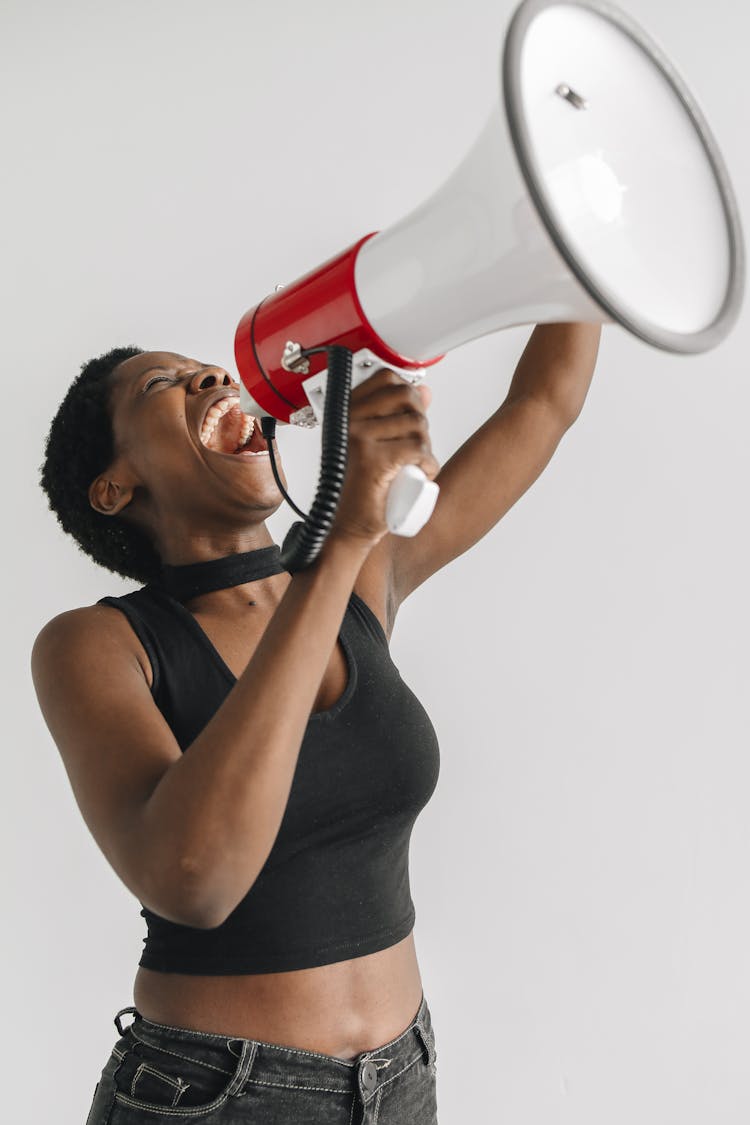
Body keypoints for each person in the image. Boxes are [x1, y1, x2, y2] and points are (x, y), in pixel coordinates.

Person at [32, 326, 600, 1124]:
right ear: (113, 488)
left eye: (208, 370)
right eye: (165, 385)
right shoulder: (101, 644)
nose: (207, 377)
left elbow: (544, 404)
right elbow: (194, 879)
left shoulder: (361, 576)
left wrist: (568, 255)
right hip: (215, 1096)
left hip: (403, 1077)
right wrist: (344, 539)